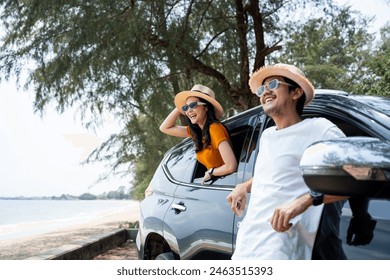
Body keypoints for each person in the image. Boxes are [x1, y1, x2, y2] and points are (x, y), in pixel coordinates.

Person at [227, 63, 348, 259]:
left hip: (282, 249)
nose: (265, 92)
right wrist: (244, 186)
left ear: (296, 92)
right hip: (246, 247)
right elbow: (271, 176)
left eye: (273, 84)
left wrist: (306, 200)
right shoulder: (266, 136)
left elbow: (354, 175)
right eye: (261, 88)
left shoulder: (320, 129)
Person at [160, 84, 237, 184]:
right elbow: (164, 128)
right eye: (186, 108)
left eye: (193, 105)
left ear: (206, 107)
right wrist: (180, 106)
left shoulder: (215, 128)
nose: (189, 111)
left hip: (228, 184)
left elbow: (231, 166)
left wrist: (211, 172)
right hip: (218, 183)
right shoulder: (197, 133)